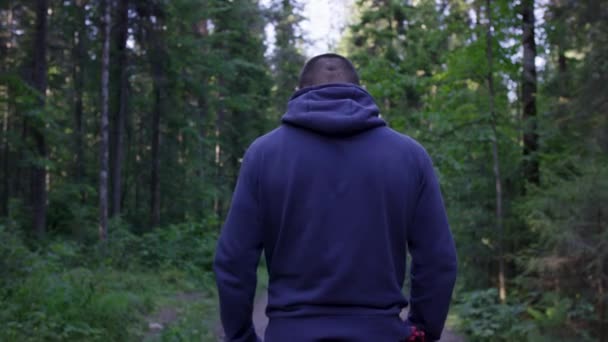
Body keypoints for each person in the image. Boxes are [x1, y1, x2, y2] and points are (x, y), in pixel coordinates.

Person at [214, 53, 457, 342]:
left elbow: (233, 261)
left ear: (297, 93)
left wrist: (241, 337)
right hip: (381, 333)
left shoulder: (263, 155)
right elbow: (438, 260)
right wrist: (423, 332)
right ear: (360, 92)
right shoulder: (409, 156)